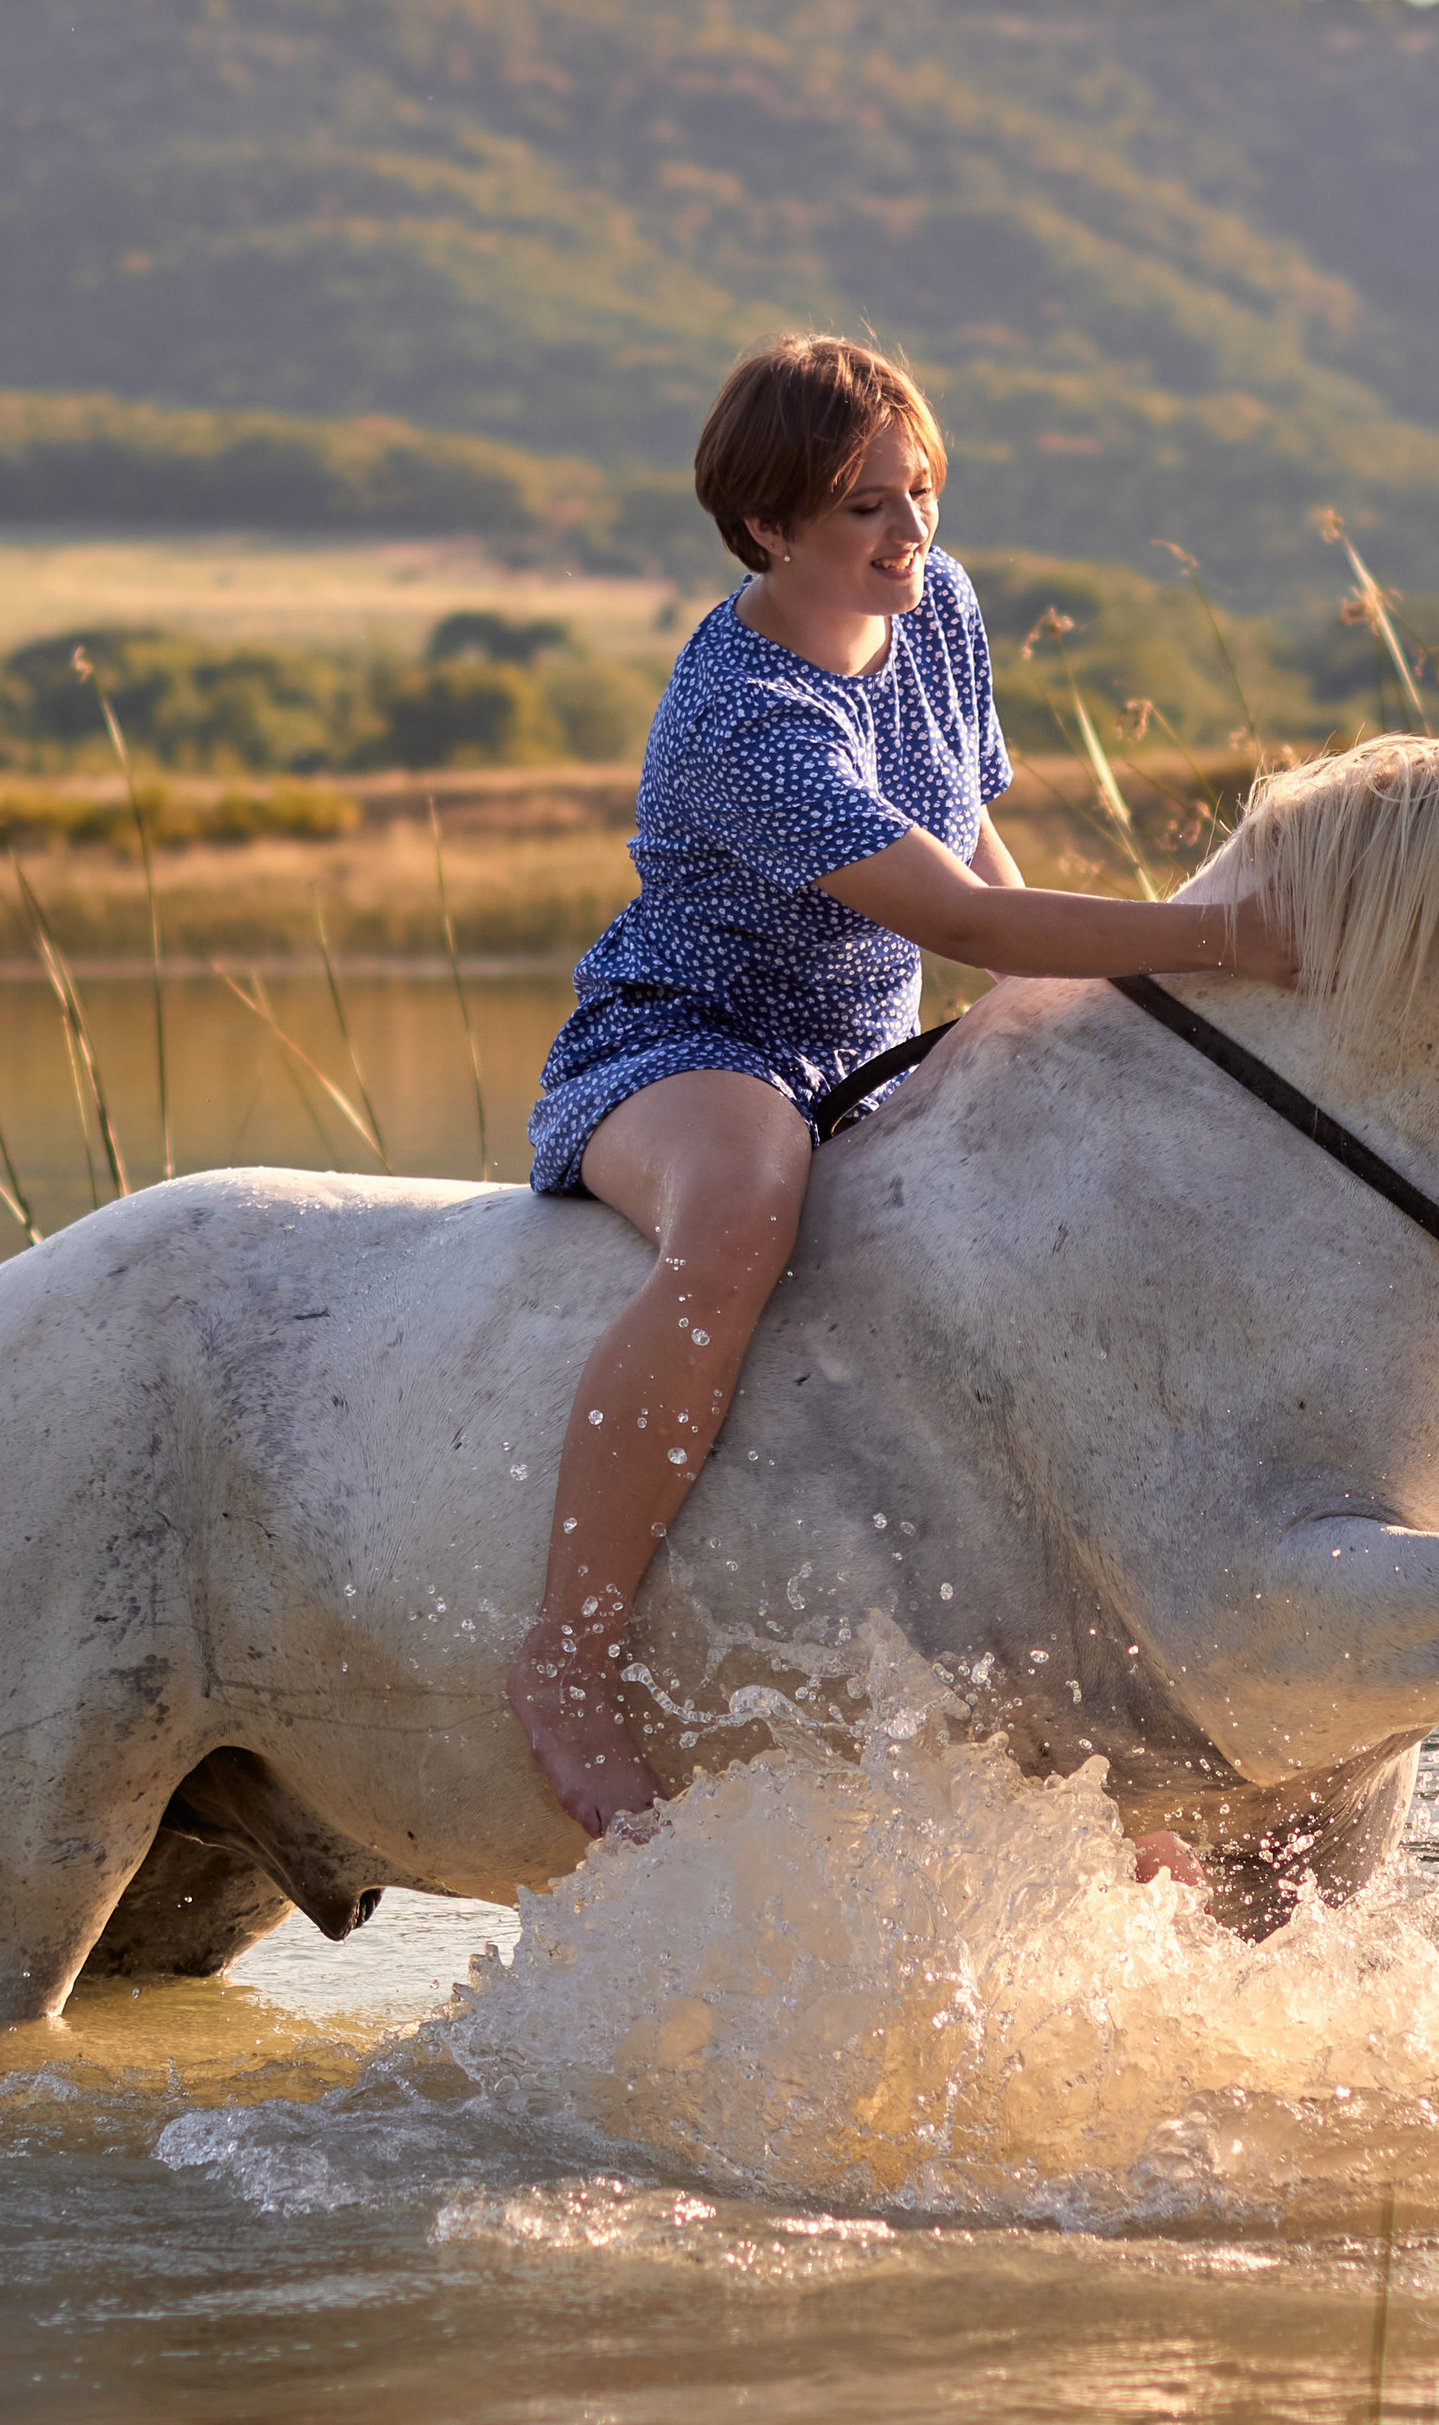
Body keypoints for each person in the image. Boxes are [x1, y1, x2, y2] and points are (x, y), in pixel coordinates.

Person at [508, 332, 1297, 1838]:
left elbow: (973, 850)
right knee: (742, 1210)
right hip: (696, 1036)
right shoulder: (747, 715)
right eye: (867, 506)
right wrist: (1228, 939)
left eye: (921, 491)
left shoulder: (935, 606)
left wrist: (1066, 1026)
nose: (910, 532)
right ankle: (568, 1653)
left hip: (875, 1043)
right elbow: (962, 921)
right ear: (767, 527)